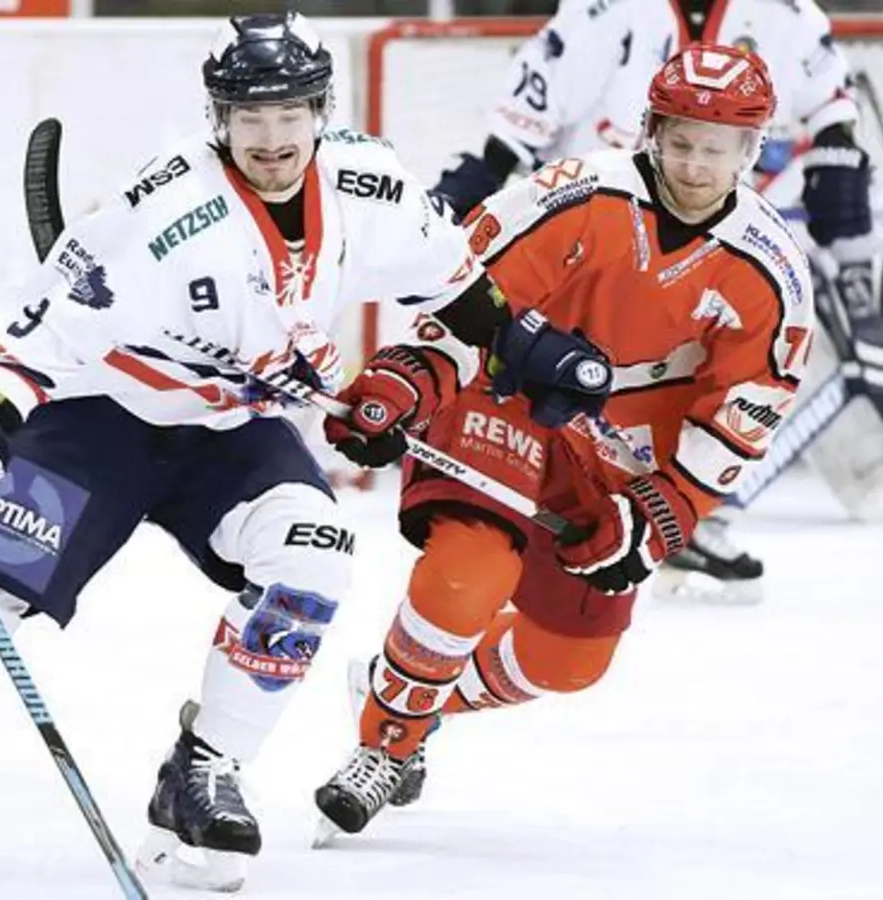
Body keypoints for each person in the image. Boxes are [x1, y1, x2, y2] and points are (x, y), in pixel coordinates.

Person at [0, 12, 611, 892]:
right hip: (99, 425)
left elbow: (455, 284)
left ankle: (202, 771)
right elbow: (38, 333)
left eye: (289, 113)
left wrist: (522, 343)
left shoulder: (369, 184)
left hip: (230, 434)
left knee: (312, 555)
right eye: (248, 116)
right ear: (217, 118)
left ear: (321, 110)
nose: (271, 138)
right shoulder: (158, 209)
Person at [312, 43, 814, 837]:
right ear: (651, 130)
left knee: (568, 659)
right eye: (680, 141)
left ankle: (412, 691)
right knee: (470, 569)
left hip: (614, 458)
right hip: (506, 398)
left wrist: (662, 510)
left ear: (751, 151)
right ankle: (386, 744)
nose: (693, 165)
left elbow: (742, 411)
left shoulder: (770, 270)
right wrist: (413, 377)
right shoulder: (575, 195)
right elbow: (465, 299)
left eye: (715, 149)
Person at [431, 0, 883, 602]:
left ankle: (685, 515)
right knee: (577, 372)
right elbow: (536, 97)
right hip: (608, 228)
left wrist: (837, 155)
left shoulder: (786, 14)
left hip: (724, 223)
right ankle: (541, 490)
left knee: (754, 350)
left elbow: (829, 98)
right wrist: (487, 166)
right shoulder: (606, 11)